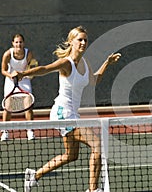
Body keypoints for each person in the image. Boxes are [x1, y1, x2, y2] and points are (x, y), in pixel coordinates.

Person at [14, 26, 121, 192]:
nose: (83, 43)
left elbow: (94, 80)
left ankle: (34, 176)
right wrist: (23, 74)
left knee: (71, 155)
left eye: (85, 40)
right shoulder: (66, 63)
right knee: (97, 144)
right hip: (63, 113)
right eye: (80, 39)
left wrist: (107, 62)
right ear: (71, 42)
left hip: (72, 114)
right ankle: (93, 190)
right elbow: (45, 69)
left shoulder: (85, 63)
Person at [1, 34, 35, 141]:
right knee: (8, 106)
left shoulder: (28, 54)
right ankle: (5, 132)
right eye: (16, 42)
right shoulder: (7, 54)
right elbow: (3, 70)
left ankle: (30, 131)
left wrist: (23, 74)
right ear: (13, 43)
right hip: (10, 80)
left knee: (28, 105)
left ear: (23, 43)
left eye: (20, 42)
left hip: (24, 80)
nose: (18, 44)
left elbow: (32, 68)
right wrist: (11, 75)